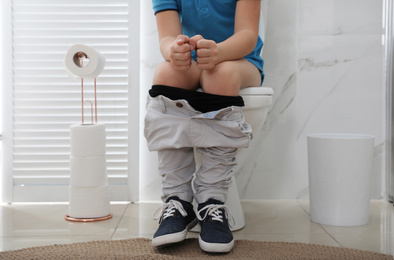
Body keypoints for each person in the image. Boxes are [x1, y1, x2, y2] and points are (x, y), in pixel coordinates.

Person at [144, 0, 264, 253]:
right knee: (164, 74)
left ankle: (212, 202)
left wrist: (218, 53)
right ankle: (178, 201)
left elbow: (247, 35)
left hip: (239, 60)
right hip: (191, 62)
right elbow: (166, 36)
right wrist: (172, 51)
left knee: (220, 74)